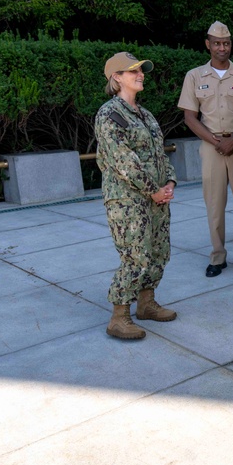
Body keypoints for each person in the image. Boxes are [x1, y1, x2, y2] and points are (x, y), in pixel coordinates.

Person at [95, 52, 178, 340]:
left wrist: (169, 182)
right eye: (132, 71)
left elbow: (159, 152)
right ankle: (119, 316)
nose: (140, 74)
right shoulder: (110, 114)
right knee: (135, 256)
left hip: (155, 197)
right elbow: (124, 161)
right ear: (116, 77)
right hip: (127, 200)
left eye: (141, 70)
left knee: (158, 252)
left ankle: (146, 304)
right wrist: (153, 190)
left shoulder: (146, 115)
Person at [177, 21, 233, 277]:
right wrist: (217, 142)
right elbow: (190, 118)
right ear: (208, 45)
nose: (221, 48)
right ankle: (217, 256)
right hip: (211, 147)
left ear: (230, 44)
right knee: (214, 204)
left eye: (226, 43)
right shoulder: (194, 76)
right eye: (216, 43)